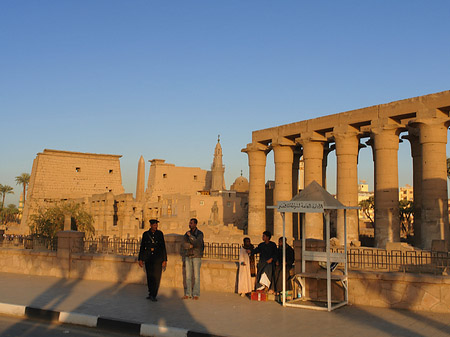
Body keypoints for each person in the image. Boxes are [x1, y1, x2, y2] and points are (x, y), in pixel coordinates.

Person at [138, 219, 167, 302]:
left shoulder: (160, 234)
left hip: (158, 258)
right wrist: (140, 259)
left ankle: (154, 294)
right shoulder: (146, 234)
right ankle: (150, 293)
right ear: (151, 225)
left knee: (156, 277)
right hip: (148, 258)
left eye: (156, 225)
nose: (156, 226)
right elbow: (142, 247)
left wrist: (164, 260)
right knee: (149, 277)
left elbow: (163, 247)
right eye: (154, 225)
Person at [182, 218, 204, 300]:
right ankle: (188, 293)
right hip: (188, 255)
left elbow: (198, 243)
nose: (190, 224)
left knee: (196, 276)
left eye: (191, 223)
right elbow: (183, 244)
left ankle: (196, 294)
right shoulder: (186, 234)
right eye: (189, 223)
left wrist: (190, 237)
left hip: (196, 256)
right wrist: (189, 246)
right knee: (188, 276)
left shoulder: (200, 233)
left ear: (195, 224)